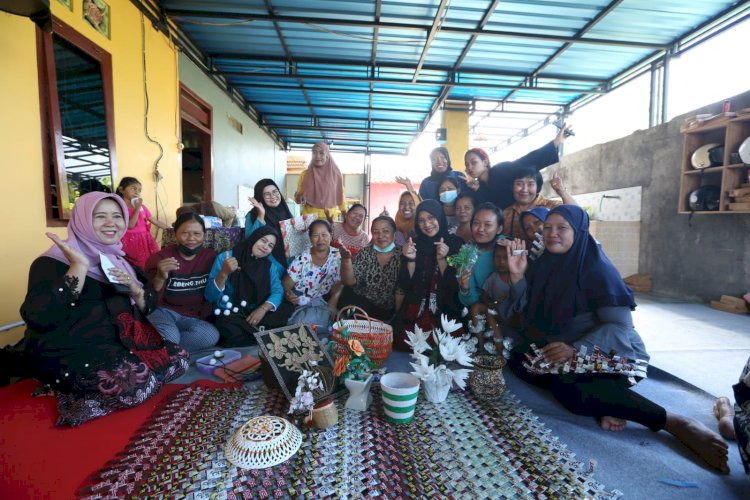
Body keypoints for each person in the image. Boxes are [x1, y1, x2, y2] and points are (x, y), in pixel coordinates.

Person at [502, 205, 729, 473]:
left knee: (569, 390)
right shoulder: (544, 264)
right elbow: (527, 316)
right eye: (547, 228)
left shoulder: (597, 269)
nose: (552, 234)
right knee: (518, 358)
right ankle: (609, 401)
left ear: (579, 231)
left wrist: (574, 349)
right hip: (562, 346)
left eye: (562, 228)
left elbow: (620, 326)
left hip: (609, 351)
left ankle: (673, 421)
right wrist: (517, 278)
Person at [20, 192, 188, 426]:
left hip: (117, 344)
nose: (111, 223)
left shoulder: (119, 259)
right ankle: (75, 401)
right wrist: (78, 267)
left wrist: (135, 290)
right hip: (68, 350)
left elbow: (148, 307)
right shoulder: (52, 262)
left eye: (117, 216)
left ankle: (102, 389)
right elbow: (40, 318)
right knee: (134, 386)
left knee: (179, 358)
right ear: (83, 221)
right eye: (100, 217)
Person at [392, 200, 463, 350]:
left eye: (431, 218)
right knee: (404, 342)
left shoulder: (455, 244)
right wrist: (410, 259)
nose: (427, 224)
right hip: (416, 309)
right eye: (421, 220)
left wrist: (442, 259)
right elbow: (405, 284)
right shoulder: (414, 245)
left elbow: (454, 287)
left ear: (440, 217)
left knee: (445, 346)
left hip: (445, 310)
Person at [205, 226, 292, 347]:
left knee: (286, 309)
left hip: (258, 310)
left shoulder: (268, 266)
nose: (265, 247)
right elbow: (210, 296)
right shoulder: (226, 258)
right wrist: (223, 273)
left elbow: (277, 291)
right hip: (233, 312)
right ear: (254, 238)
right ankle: (262, 334)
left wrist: (263, 309)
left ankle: (256, 334)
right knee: (229, 328)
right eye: (263, 240)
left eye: (271, 245)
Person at [145, 212, 220, 352]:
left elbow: (213, 293)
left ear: (204, 235)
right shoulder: (160, 258)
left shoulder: (212, 258)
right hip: (163, 311)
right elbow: (148, 299)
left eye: (197, 234)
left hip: (191, 316)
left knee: (211, 336)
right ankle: (167, 345)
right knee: (170, 335)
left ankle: (166, 348)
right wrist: (160, 276)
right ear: (175, 235)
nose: (191, 239)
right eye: (185, 233)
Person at [464, 127, 571, 209]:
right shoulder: (478, 186)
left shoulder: (500, 170)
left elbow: (526, 161)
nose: (470, 167)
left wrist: (555, 143)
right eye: (467, 164)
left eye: (473, 163)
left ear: (485, 162)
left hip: (525, 213)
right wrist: (477, 189)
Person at [335, 216, 402, 321]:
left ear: (394, 233)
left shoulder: (402, 255)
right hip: (359, 305)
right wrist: (346, 259)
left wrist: (397, 318)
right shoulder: (365, 252)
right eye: (375, 232)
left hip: (385, 311)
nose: (380, 236)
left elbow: (402, 291)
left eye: (386, 231)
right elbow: (349, 282)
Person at [283, 220, 342, 335]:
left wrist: (335, 298)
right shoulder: (302, 258)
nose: (320, 240)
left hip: (324, 300)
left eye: (324, 235)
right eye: (315, 235)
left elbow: (339, 282)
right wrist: (289, 293)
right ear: (310, 238)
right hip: (301, 300)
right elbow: (286, 283)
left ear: (331, 235)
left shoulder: (337, 256)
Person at [458, 203, 506, 312]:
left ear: (499, 229)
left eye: (488, 225)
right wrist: (465, 289)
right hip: (481, 310)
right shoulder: (466, 253)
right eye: (476, 223)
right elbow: (469, 301)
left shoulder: (509, 247)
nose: (480, 229)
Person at [502, 169, 575, 239]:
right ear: (512, 187)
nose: (524, 189)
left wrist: (561, 191)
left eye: (530, 184)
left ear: (537, 186)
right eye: (519, 184)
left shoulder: (552, 206)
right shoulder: (505, 214)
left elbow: (577, 216)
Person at [116, 177, 169, 268]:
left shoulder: (142, 207)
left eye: (139, 190)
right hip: (130, 241)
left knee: (149, 263)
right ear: (121, 189)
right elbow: (130, 225)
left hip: (145, 239)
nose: (137, 192)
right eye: (133, 188)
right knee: (135, 265)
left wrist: (170, 229)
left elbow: (154, 220)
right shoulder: (119, 207)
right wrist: (137, 208)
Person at [245, 179, 293, 267]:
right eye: (267, 194)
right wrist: (261, 215)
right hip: (267, 263)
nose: (272, 196)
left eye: (275, 192)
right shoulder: (252, 215)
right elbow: (250, 241)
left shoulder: (286, 212)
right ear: (260, 197)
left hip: (291, 262)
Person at [294, 142, 346, 220]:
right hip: (309, 219)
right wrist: (300, 197)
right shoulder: (305, 174)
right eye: (314, 153)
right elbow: (297, 200)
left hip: (329, 218)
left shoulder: (336, 174)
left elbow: (340, 196)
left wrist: (345, 214)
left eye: (321, 153)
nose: (317, 156)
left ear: (327, 156)